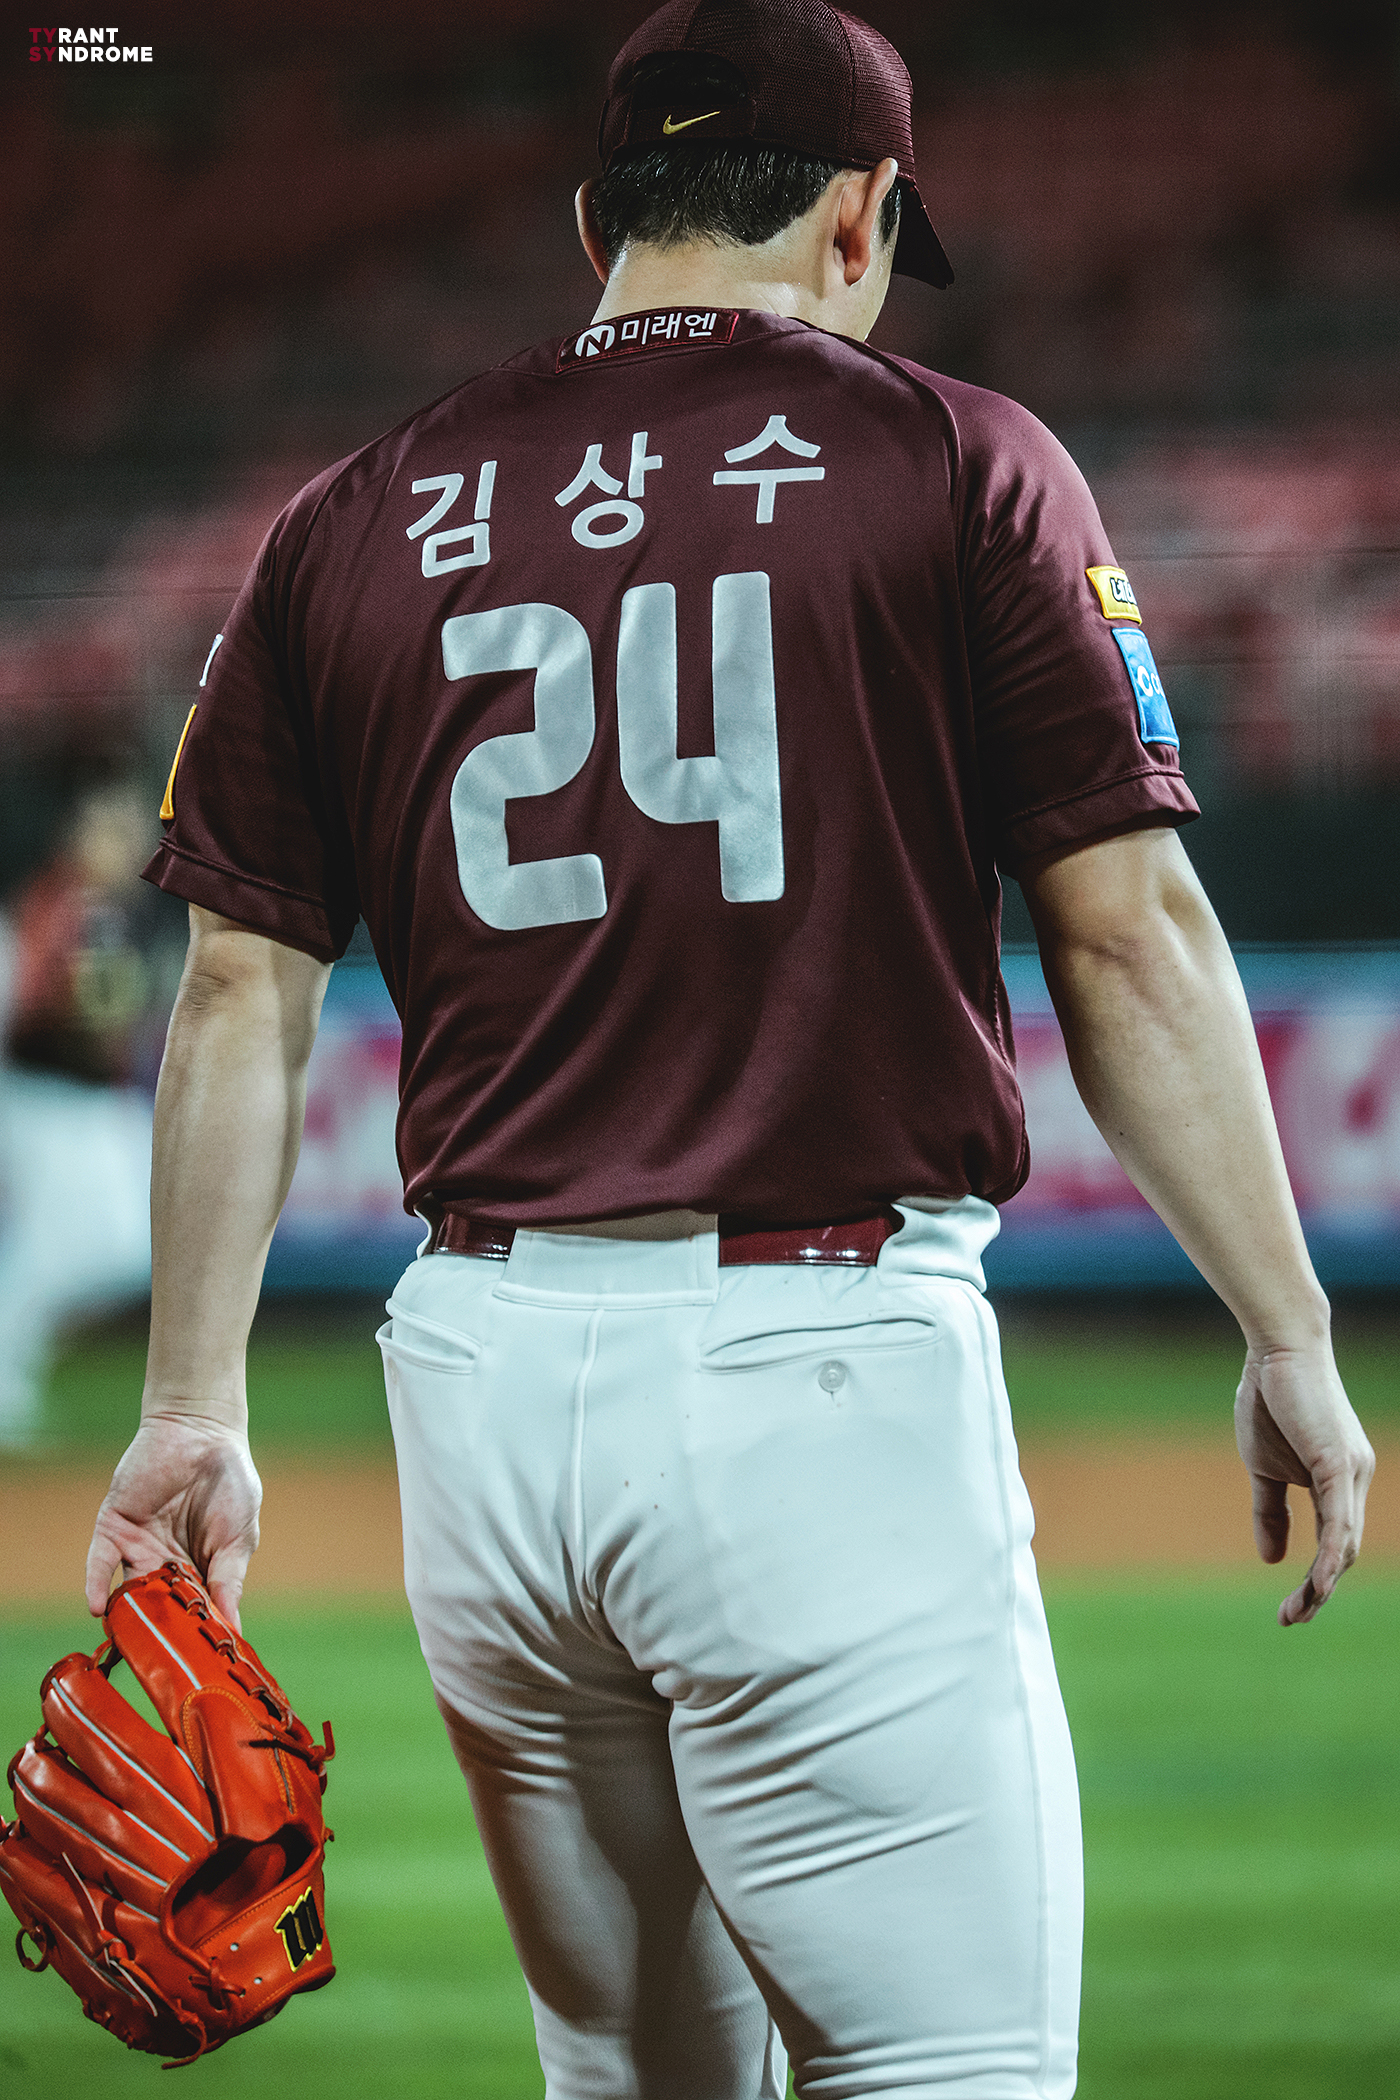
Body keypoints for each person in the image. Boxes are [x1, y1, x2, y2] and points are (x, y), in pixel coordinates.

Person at [84, 4, 1374, 2094]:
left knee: (635, 2079)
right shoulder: (954, 456)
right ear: (859, 217)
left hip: (479, 1396)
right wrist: (1288, 1331)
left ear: (596, 219)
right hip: (819, 1367)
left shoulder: (354, 510)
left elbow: (240, 989)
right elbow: (1124, 939)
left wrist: (190, 1404)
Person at [0, 777, 159, 1446]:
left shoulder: (112, 910)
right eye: (112, 828)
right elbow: (26, 1004)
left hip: (95, 1101)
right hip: (43, 1097)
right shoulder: (54, 904)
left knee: (127, 1243)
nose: (128, 842)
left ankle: (11, 1360)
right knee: (60, 1246)